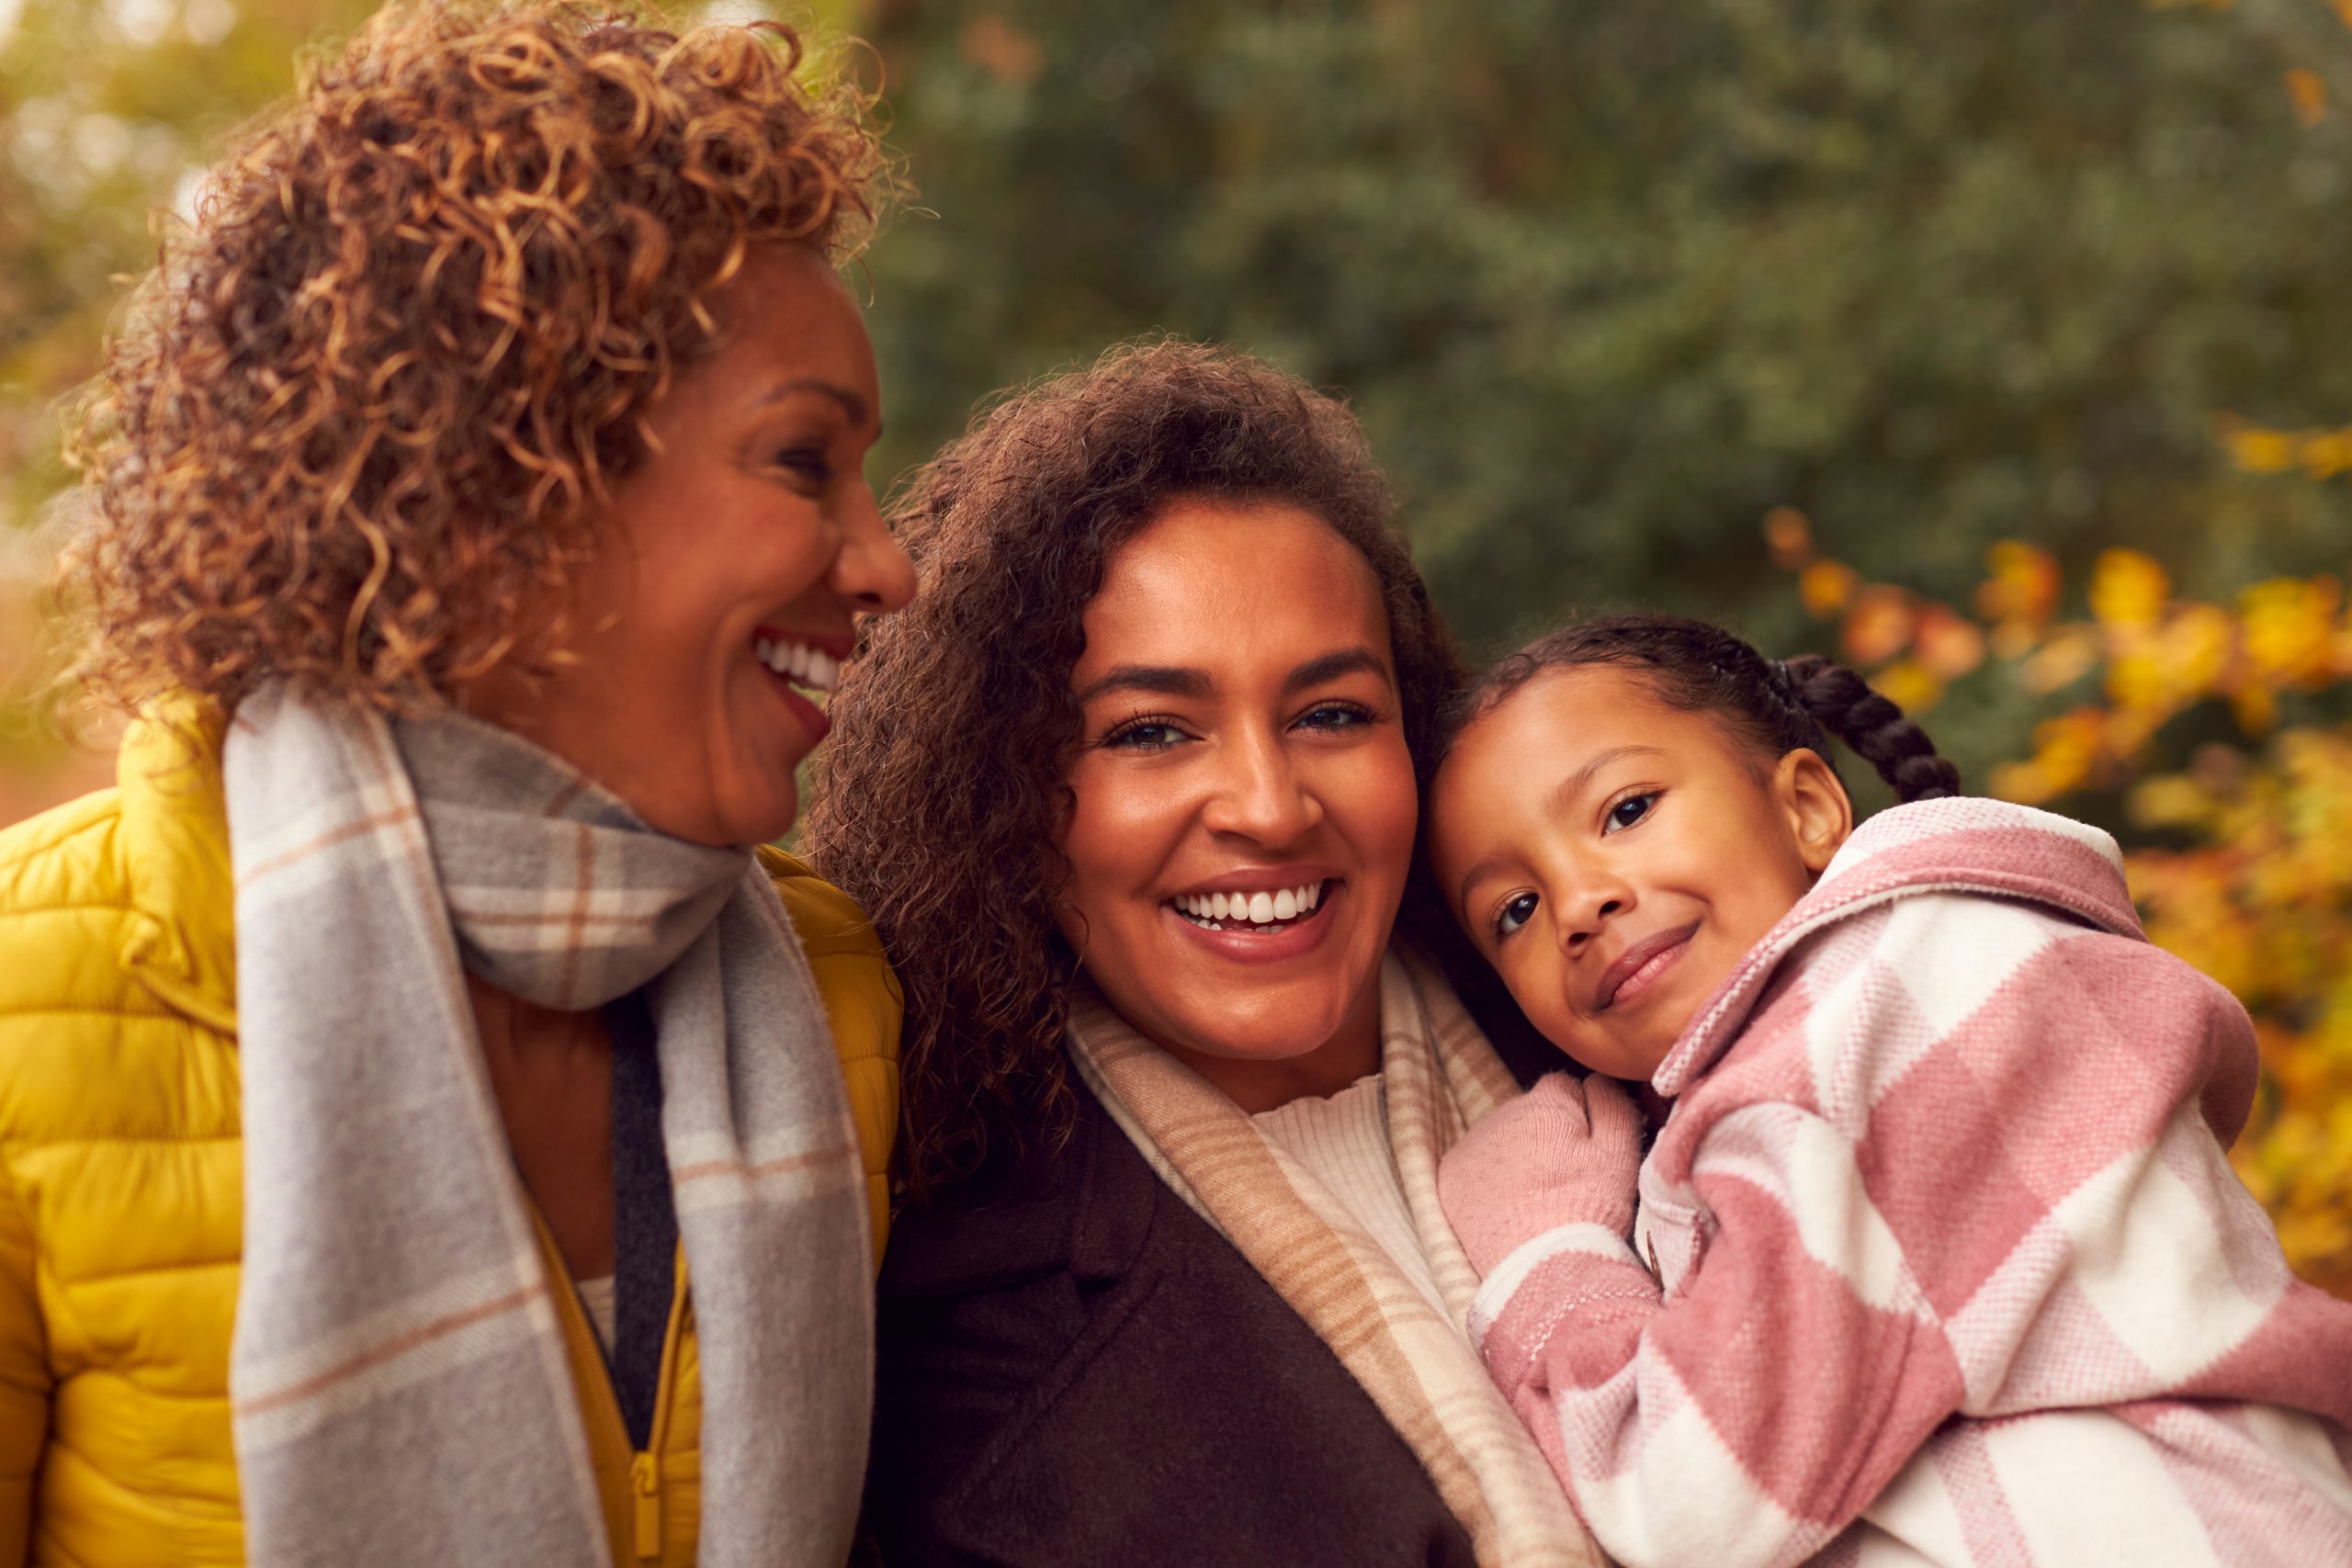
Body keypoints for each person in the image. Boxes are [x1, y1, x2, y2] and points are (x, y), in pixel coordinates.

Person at [0, 5, 915, 1563]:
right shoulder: (33, 1001)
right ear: (513, 487)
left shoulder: (844, 992)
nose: (888, 563)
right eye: (802, 463)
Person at [805, 338, 1607, 1567]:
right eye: (1153, 730)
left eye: (1331, 712)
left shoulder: (1661, 1026)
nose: (1270, 805)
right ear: (1005, 789)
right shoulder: (943, 1351)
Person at [1426, 614, 2352, 1568]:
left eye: (1625, 811)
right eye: (1515, 910)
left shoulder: (1870, 1020)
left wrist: (1548, 1252)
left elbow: (1696, 1501)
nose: (1579, 904)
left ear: (1808, 810)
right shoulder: (1896, 1001)